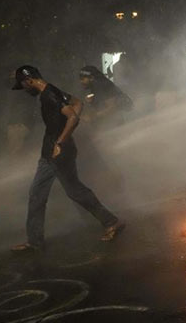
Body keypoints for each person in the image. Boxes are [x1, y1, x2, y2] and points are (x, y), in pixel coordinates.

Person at [10, 65, 125, 252]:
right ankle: (111, 221)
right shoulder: (53, 90)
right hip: (61, 151)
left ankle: (35, 242)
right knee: (74, 190)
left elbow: (73, 117)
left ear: (29, 80)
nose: (24, 89)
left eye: (23, 85)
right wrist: (65, 135)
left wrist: (60, 142)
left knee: (37, 194)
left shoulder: (48, 96)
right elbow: (78, 103)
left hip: (54, 153)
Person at [79, 65, 132, 130]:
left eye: (82, 79)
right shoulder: (95, 88)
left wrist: (92, 117)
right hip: (113, 125)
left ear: (91, 78)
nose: (81, 82)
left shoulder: (102, 85)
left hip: (118, 125)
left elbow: (113, 108)